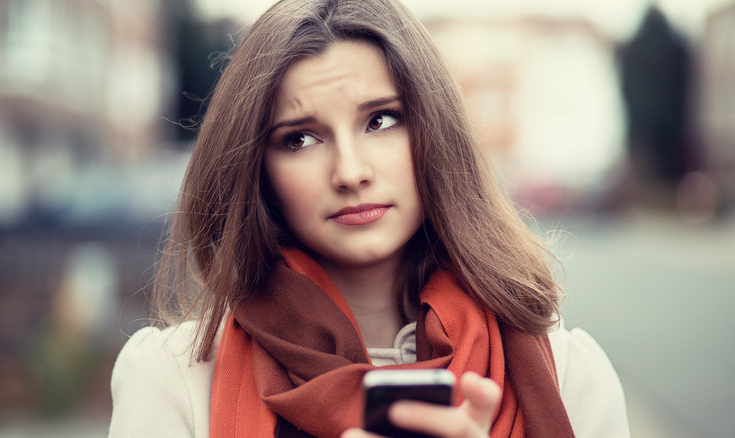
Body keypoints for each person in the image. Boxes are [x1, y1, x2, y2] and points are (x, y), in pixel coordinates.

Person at [109, 0, 630, 437]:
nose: (350, 172)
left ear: (436, 132)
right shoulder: (174, 378)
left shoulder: (569, 374)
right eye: (301, 138)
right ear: (258, 170)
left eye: (381, 120)